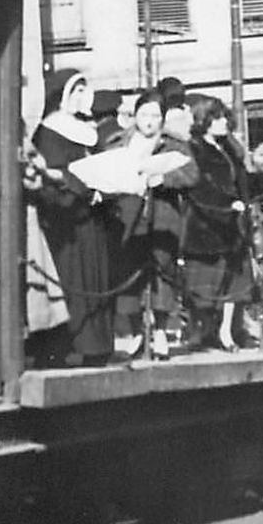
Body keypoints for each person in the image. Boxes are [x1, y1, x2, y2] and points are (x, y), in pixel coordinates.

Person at [28, 69, 119, 368]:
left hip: (92, 219)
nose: (83, 95)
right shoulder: (50, 132)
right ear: (62, 97)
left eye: (84, 89)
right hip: (67, 224)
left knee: (96, 280)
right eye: (76, 90)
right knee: (74, 282)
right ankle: (77, 345)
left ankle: (98, 345)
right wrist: (81, 190)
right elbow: (53, 179)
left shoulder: (87, 130)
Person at [111, 90, 199, 360]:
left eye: (155, 115)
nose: (149, 121)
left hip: (163, 218)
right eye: (144, 114)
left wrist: (164, 179)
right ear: (134, 116)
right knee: (130, 273)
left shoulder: (174, 144)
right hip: (129, 218)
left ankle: (160, 332)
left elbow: (191, 174)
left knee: (163, 273)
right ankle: (137, 332)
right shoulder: (118, 143)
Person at [180, 95, 263, 351]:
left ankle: (226, 332)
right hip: (207, 226)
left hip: (233, 228)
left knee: (234, 287)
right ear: (203, 120)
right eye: (217, 117)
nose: (224, 121)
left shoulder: (229, 148)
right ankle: (203, 333)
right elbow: (198, 188)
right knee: (205, 286)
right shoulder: (194, 149)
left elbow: (244, 184)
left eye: (224, 116)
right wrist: (227, 206)